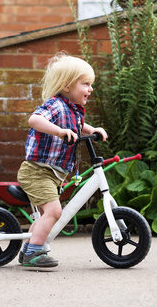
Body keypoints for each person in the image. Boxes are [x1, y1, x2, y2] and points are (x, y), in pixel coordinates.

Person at [17, 53, 107, 269]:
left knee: (45, 215)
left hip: (52, 173)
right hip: (37, 171)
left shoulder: (73, 110)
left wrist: (92, 130)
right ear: (67, 86)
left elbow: (78, 125)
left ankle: (27, 249)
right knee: (54, 212)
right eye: (85, 83)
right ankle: (33, 254)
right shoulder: (56, 105)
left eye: (90, 84)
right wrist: (59, 132)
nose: (90, 89)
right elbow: (35, 119)